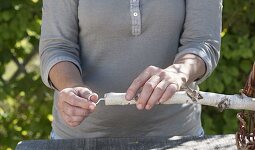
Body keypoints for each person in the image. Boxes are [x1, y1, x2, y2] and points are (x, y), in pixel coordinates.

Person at [39, 0, 222, 139]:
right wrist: (71, 87)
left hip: (176, 136)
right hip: (79, 141)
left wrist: (179, 72)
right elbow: (57, 46)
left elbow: (203, 42)